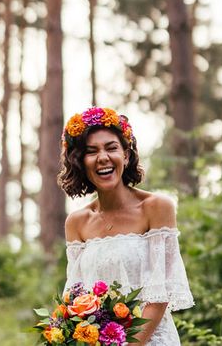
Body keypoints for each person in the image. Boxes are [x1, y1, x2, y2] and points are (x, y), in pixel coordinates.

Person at [58, 106, 194, 346]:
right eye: (91, 151)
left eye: (111, 148)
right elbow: (75, 299)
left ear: (127, 155)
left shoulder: (157, 207)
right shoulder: (77, 222)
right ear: (81, 161)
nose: (103, 157)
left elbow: (158, 296)